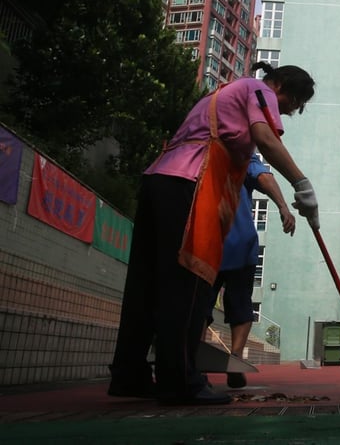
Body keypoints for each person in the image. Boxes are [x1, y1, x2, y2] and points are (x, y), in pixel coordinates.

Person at [108, 62, 318, 405]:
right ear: (280, 85)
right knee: (188, 282)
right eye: (290, 104)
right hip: (189, 183)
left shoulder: (222, 96)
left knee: (147, 284)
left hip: (160, 179)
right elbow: (265, 138)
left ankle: (129, 375)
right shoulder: (258, 89)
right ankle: (181, 382)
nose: (285, 113)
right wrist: (302, 184)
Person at [210, 153, 295, 389]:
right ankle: (236, 356)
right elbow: (264, 177)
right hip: (237, 241)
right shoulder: (241, 152)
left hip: (209, 242)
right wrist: (283, 206)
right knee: (240, 303)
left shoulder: (204, 151)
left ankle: (190, 357)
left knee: (199, 303)